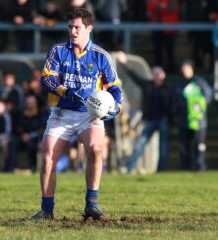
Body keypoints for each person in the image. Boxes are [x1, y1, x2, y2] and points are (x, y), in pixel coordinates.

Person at [31, 8, 123, 220]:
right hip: (62, 112)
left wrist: (115, 108)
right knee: (47, 158)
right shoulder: (58, 51)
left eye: (77, 27)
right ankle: (46, 210)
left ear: (89, 28)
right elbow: (46, 80)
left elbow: (115, 88)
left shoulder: (101, 56)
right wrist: (64, 90)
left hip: (89, 115)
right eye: (70, 27)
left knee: (95, 148)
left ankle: (92, 205)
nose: (73, 31)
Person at [117, 51, 171, 172]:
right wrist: (124, 64)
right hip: (149, 120)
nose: (156, 75)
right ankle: (129, 167)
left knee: (163, 148)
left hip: (163, 120)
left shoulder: (168, 89)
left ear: (164, 74)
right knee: (140, 144)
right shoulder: (148, 85)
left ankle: (160, 171)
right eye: (154, 73)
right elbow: (134, 76)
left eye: (159, 73)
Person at [172, 60, 212, 171]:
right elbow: (175, 100)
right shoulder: (179, 84)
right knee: (184, 146)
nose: (185, 71)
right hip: (183, 120)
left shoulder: (199, 82)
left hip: (198, 121)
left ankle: (200, 165)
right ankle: (185, 167)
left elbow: (208, 95)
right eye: (183, 68)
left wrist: (199, 109)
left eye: (187, 68)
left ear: (192, 69)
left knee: (199, 145)